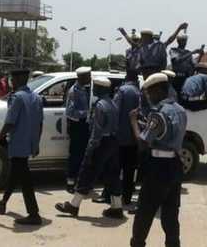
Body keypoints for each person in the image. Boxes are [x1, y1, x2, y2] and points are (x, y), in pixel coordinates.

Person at [128, 73, 187, 247]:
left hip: (158, 168)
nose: (148, 96)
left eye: (149, 92)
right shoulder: (180, 110)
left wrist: (133, 122)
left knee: (144, 213)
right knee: (170, 214)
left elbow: (142, 143)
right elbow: (166, 134)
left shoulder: (159, 113)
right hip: (175, 165)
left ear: (159, 90)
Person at [55, 77, 124, 219]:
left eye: (96, 87)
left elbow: (96, 129)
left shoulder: (99, 106)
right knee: (112, 174)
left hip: (100, 143)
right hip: (112, 141)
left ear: (101, 89)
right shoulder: (112, 104)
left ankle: (74, 205)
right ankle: (117, 207)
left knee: (86, 172)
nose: (94, 89)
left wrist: (91, 147)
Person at [0, 69, 43, 225]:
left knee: (25, 181)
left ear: (20, 79)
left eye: (13, 78)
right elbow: (40, 123)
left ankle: (34, 214)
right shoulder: (36, 97)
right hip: (28, 143)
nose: (11, 81)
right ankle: (3, 203)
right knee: (15, 174)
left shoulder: (17, 98)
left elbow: (10, 122)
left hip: (18, 143)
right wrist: (36, 143)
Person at [93, 70, 142, 208]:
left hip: (120, 137)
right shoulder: (139, 92)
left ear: (126, 78)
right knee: (129, 170)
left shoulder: (122, 91)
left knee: (113, 168)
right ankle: (126, 197)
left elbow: (115, 111)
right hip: (134, 137)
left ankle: (108, 196)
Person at [65, 67, 92, 193]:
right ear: (81, 77)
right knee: (75, 155)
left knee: (83, 156)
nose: (90, 78)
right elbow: (70, 112)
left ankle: (81, 182)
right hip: (77, 127)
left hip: (84, 126)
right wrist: (87, 113)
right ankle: (71, 182)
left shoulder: (86, 88)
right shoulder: (74, 91)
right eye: (88, 76)